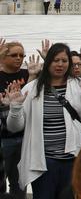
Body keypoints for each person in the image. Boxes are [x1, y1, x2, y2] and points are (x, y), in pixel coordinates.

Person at [6, 43, 81, 199]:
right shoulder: (32, 88)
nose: (60, 65)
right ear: (48, 62)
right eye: (56, 60)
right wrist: (15, 107)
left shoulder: (79, 85)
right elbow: (14, 127)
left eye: (64, 61)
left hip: (74, 159)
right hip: (43, 162)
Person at [0, 42, 36, 199]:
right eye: (14, 55)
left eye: (22, 55)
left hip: (24, 136)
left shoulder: (29, 73)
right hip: (3, 138)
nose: (19, 58)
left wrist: (34, 75)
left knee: (20, 183)